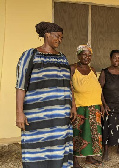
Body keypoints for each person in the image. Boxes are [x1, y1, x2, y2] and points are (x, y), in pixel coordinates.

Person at [16, 22, 74, 168]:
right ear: (47, 35)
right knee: (36, 148)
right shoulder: (30, 55)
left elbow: (69, 84)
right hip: (37, 117)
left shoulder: (62, 57)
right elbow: (20, 85)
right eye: (57, 36)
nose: (59, 40)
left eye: (61, 38)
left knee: (59, 147)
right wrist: (19, 113)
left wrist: (73, 105)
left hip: (60, 116)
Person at [71, 44, 103, 167]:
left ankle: (90, 157)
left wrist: (102, 104)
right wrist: (72, 106)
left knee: (93, 134)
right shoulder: (73, 68)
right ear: (78, 55)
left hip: (94, 107)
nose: (87, 57)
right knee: (78, 134)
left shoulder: (93, 70)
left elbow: (97, 88)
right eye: (84, 54)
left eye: (89, 55)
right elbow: (69, 88)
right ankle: (75, 161)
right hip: (80, 107)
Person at [99, 50, 119, 161]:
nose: (117, 60)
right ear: (110, 58)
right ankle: (105, 152)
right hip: (109, 106)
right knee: (107, 128)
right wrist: (104, 104)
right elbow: (99, 89)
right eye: (114, 57)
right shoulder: (105, 72)